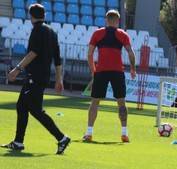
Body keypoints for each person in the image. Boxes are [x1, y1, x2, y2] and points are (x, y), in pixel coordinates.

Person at [1, 4, 70, 154]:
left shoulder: (37, 30)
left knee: (36, 110)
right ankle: (18, 142)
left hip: (35, 77)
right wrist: (59, 79)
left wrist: (16, 69)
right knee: (22, 106)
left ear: (30, 16)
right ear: (44, 15)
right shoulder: (52, 32)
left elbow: (33, 53)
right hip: (42, 76)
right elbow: (57, 59)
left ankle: (62, 138)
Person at [82, 10, 136, 143]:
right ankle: (124, 133)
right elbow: (130, 52)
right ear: (118, 21)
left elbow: (89, 54)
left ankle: (89, 133)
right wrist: (133, 69)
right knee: (121, 102)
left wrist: (93, 71)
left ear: (106, 20)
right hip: (117, 72)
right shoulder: (123, 35)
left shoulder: (97, 33)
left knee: (95, 101)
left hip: (101, 71)